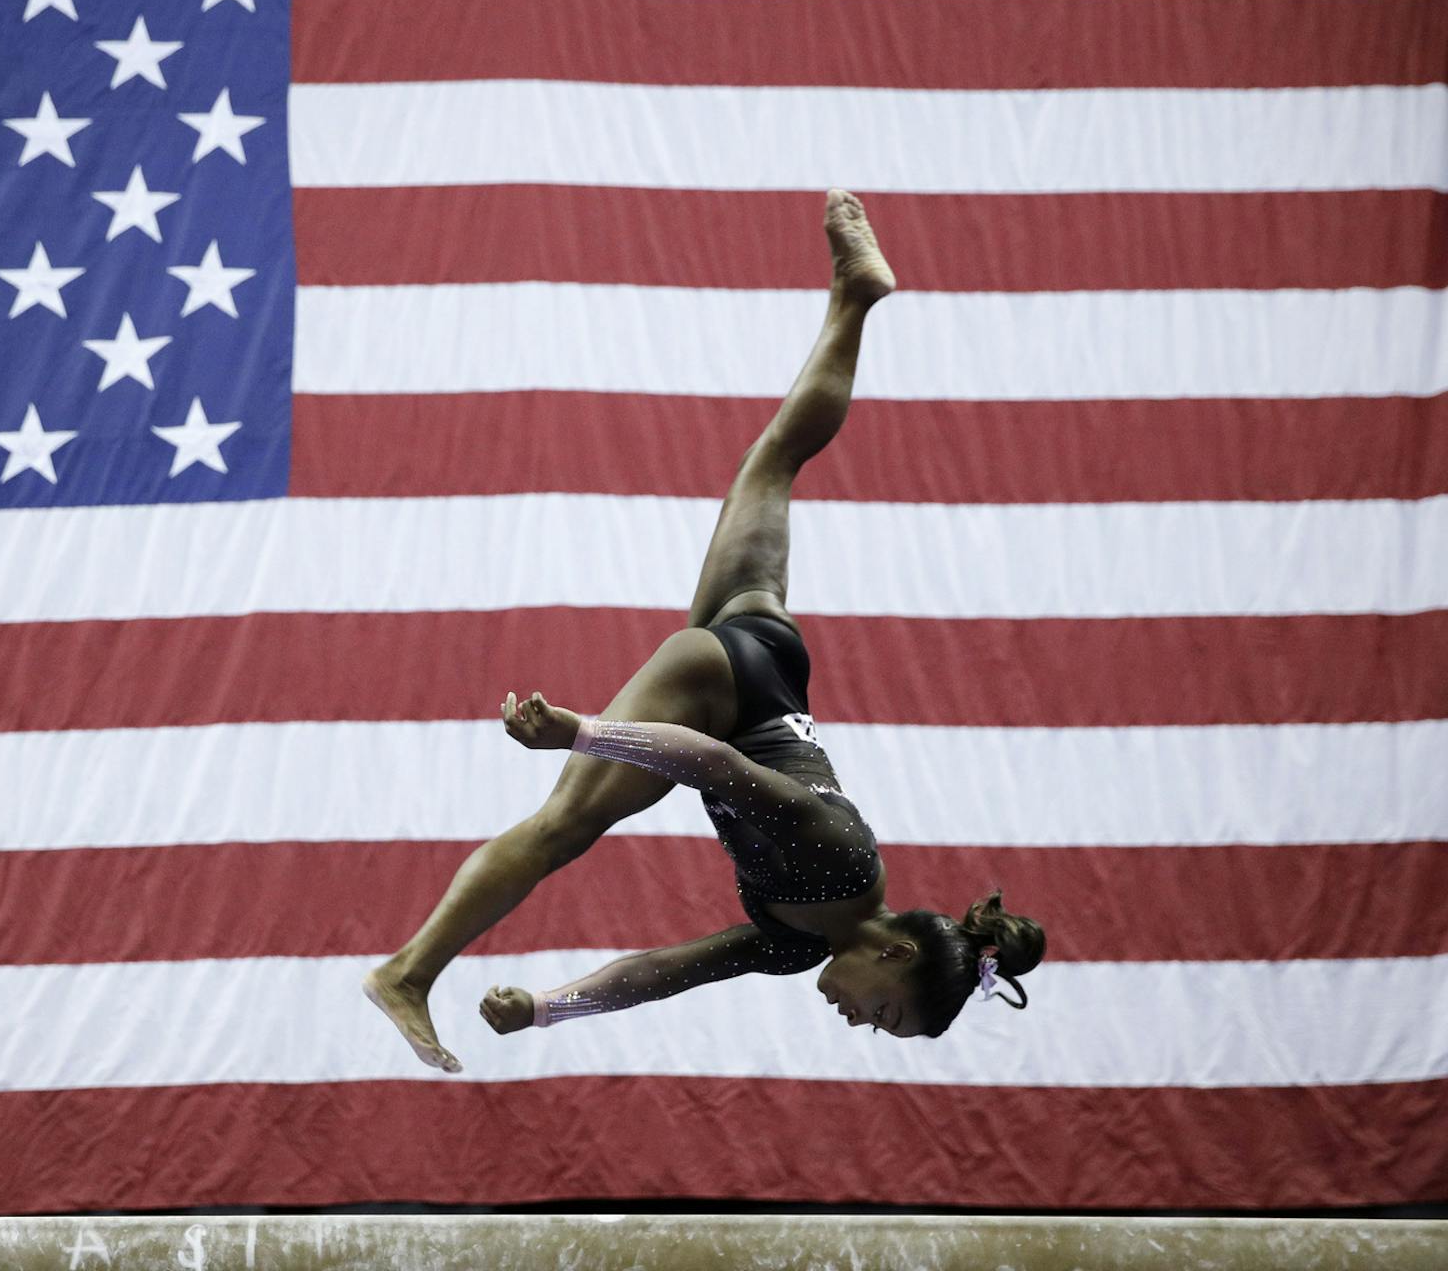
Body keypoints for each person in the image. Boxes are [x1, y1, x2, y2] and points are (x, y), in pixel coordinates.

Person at [362, 190, 1045, 1071]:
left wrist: (546, 1010)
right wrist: (578, 731)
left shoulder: (801, 940)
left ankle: (853, 299)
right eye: (888, 1014)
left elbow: (668, 973)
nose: (864, 1024)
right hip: (724, 693)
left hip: (766, 663)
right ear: (897, 954)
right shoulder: (839, 864)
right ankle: (410, 973)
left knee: (773, 463)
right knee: (563, 826)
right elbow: (716, 765)